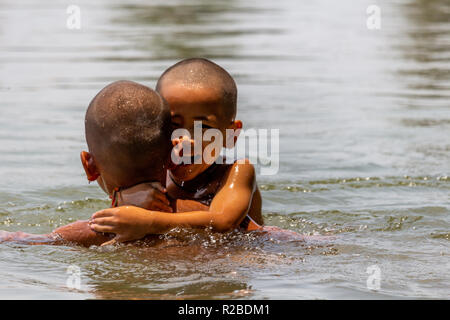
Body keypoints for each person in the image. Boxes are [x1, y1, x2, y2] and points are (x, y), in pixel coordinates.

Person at [89, 58, 265, 245]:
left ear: (231, 135)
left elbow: (223, 222)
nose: (186, 139)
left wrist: (148, 221)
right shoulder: (157, 171)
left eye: (203, 127)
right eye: (174, 124)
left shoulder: (236, 170)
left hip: (240, 256)